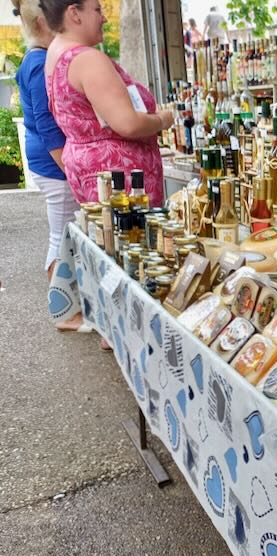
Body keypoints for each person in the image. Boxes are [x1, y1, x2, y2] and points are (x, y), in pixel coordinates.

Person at [39, 0, 173, 207]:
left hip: (92, 171)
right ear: (74, 13)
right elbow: (128, 124)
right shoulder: (87, 59)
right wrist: (162, 120)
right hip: (120, 181)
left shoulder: (56, 52)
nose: (104, 18)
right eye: (97, 10)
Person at [12, 0, 84, 331]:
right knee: (61, 234)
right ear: (43, 22)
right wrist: (66, 163)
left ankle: (63, 303)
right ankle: (64, 312)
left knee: (60, 232)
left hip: (43, 157)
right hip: (51, 160)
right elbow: (45, 119)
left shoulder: (33, 59)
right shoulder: (40, 62)